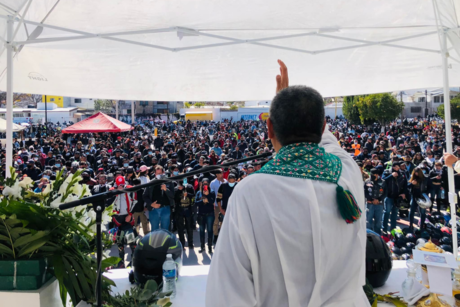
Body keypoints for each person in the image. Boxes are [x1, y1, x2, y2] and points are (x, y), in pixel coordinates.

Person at [206, 60, 369, 307]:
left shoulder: (250, 192)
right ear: (324, 126)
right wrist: (288, 102)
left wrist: (282, 100)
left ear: (269, 128)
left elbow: (227, 293)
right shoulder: (347, 171)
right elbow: (329, 143)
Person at [109, 176, 137, 268]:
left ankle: (133, 261)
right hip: (117, 218)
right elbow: (109, 204)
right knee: (119, 241)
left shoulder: (130, 189)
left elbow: (135, 202)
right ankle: (121, 262)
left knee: (131, 240)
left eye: (122, 185)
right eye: (119, 185)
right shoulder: (111, 191)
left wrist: (130, 214)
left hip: (128, 216)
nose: (121, 187)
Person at [143, 165, 174, 231]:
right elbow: (145, 196)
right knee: (154, 230)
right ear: (155, 174)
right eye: (157, 173)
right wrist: (151, 204)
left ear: (163, 173)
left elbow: (173, 195)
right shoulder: (151, 182)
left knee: (165, 230)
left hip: (165, 209)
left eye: (160, 173)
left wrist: (166, 190)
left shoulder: (168, 181)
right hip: (154, 209)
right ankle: (155, 241)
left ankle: (165, 241)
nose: (159, 175)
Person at [381, 162, 407, 234]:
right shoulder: (387, 172)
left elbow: (405, 184)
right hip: (389, 196)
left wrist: (404, 193)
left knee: (395, 212)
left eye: (398, 167)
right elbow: (382, 181)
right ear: (392, 167)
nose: (397, 168)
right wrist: (391, 176)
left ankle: (393, 228)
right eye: (395, 167)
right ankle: (384, 228)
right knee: (387, 212)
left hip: (398, 197)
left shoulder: (402, 174)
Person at [196, 178, 216, 254]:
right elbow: (196, 203)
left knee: (210, 230)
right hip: (201, 214)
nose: (205, 185)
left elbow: (213, 201)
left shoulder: (212, 192)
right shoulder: (199, 192)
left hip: (210, 214)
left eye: (206, 183)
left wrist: (208, 196)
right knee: (201, 231)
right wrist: (202, 201)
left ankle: (210, 247)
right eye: (203, 184)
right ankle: (202, 247)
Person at [364, 169, 386, 234]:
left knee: (378, 221)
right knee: (368, 220)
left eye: (376, 174)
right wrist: (371, 199)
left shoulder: (383, 182)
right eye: (374, 174)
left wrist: (378, 200)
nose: (375, 176)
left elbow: (385, 193)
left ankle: (377, 234)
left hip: (379, 203)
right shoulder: (367, 181)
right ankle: (368, 235)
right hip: (370, 203)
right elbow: (365, 192)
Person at [210, 169, 226, 244]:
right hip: (216, 205)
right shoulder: (213, 183)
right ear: (216, 174)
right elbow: (212, 194)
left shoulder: (225, 181)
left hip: (225, 205)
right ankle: (215, 236)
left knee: (224, 221)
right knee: (216, 221)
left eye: (222, 173)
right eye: (219, 174)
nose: (221, 175)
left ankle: (223, 236)